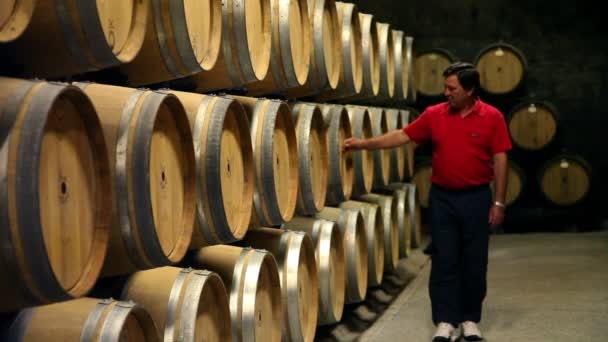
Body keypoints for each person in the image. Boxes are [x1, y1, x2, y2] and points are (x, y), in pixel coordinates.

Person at [343, 62, 511, 341]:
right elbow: (402, 136)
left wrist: (499, 203)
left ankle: (470, 319)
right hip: (443, 198)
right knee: (444, 260)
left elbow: (501, 158)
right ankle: (445, 320)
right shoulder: (435, 114)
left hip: (477, 198)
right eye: (445, 87)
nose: (446, 93)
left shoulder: (492, 117)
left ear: (469, 90)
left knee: (474, 262)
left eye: (452, 88)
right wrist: (363, 144)